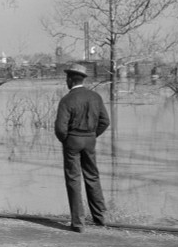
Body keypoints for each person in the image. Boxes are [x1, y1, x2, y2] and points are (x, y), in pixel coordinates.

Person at [54, 63, 110, 233]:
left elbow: (60, 128)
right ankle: (100, 217)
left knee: (73, 179)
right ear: (83, 79)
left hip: (73, 141)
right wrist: (92, 135)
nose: (66, 81)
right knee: (92, 176)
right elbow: (105, 121)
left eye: (67, 78)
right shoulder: (95, 97)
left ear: (70, 79)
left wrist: (67, 140)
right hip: (90, 140)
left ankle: (78, 223)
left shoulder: (67, 99)